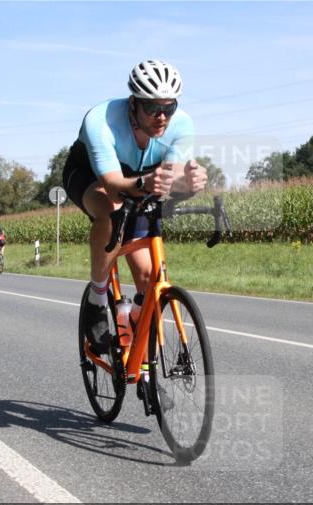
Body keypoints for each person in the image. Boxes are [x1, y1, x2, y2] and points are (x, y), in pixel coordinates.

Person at [64, 59, 208, 353]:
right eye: (153, 108)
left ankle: (134, 328)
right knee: (111, 211)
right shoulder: (100, 120)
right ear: (133, 104)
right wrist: (145, 184)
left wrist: (189, 184)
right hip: (92, 175)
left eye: (169, 108)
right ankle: (98, 298)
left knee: (147, 277)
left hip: (142, 178)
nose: (162, 117)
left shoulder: (182, 125)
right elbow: (115, 184)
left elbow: (169, 181)